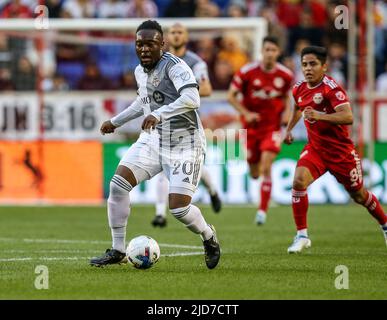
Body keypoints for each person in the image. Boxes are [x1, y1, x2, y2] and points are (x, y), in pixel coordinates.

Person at [90, 20, 220, 269]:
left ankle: (209, 236)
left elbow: (193, 98)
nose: (145, 49)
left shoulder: (175, 66)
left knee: (179, 209)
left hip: (185, 143)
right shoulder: (140, 71)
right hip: (154, 139)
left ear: (162, 44)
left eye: (150, 44)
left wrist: (160, 114)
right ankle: (118, 249)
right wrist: (116, 122)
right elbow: (143, 102)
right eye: (140, 44)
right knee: (118, 185)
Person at [284, 46, 387, 253]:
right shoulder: (299, 88)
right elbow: (297, 106)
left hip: (341, 153)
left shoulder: (332, 90)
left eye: (313, 64)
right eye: (304, 64)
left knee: (359, 196)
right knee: (298, 181)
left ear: (324, 66)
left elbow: (348, 116)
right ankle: (302, 235)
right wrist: (288, 129)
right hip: (316, 150)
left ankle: (385, 225)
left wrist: (320, 116)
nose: (307, 69)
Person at [151, 22, 222, 228]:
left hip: (188, 123)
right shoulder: (159, 61)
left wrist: (182, 92)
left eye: (179, 32)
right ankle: (159, 214)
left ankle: (213, 190)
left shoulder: (195, 62)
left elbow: (207, 89)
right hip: (164, 121)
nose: (175, 36)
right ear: (167, 37)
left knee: (191, 166)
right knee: (165, 166)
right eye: (172, 32)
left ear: (186, 36)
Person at [228, 36, 293, 225]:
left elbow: (288, 97)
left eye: (273, 50)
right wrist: (246, 113)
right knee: (255, 171)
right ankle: (261, 197)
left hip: (271, 127)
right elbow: (231, 96)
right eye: (267, 50)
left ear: (278, 52)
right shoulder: (247, 72)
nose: (270, 53)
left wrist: (287, 114)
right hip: (251, 128)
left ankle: (262, 211)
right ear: (261, 52)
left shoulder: (286, 75)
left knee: (266, 166)